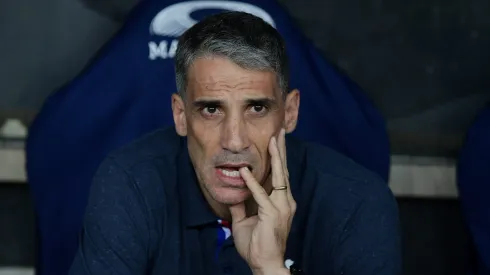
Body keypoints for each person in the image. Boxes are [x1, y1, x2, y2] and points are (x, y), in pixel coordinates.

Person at [69, 11, 400, 275]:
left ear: (290, 112)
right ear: (180, 116)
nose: (234, 140)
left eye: (257, 108)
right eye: (211, 109)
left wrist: (270, 269)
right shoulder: (131, 182)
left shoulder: (357, 201)